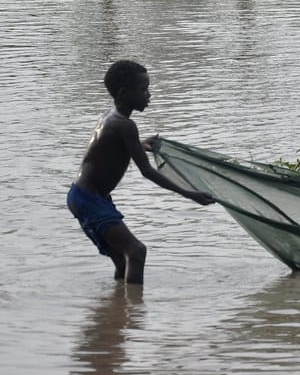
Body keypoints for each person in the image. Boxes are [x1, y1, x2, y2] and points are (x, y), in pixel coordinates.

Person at [67, 60, 215, 285]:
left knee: (122, 260)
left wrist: (139, 145)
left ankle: (120, 304)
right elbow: (146, 171)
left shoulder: (111, 117)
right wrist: (189, 194)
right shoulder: (126, 126)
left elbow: (110, 148)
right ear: (124, 93)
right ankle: (135, 306)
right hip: (90, 199)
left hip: (81, 196)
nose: (149, 95)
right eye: (143, 89)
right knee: (136, 251)